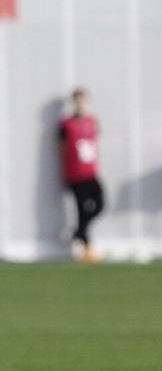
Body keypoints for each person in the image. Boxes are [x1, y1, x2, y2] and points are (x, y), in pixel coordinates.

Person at [58, 88, 105, 263]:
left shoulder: (92, 121)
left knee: (100, 205)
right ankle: (87, 247)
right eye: (76, 100)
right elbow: (60, 147)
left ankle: (77, 233)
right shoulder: (66, 124)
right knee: (82, 210)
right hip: (75, 174)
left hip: (90, 172)